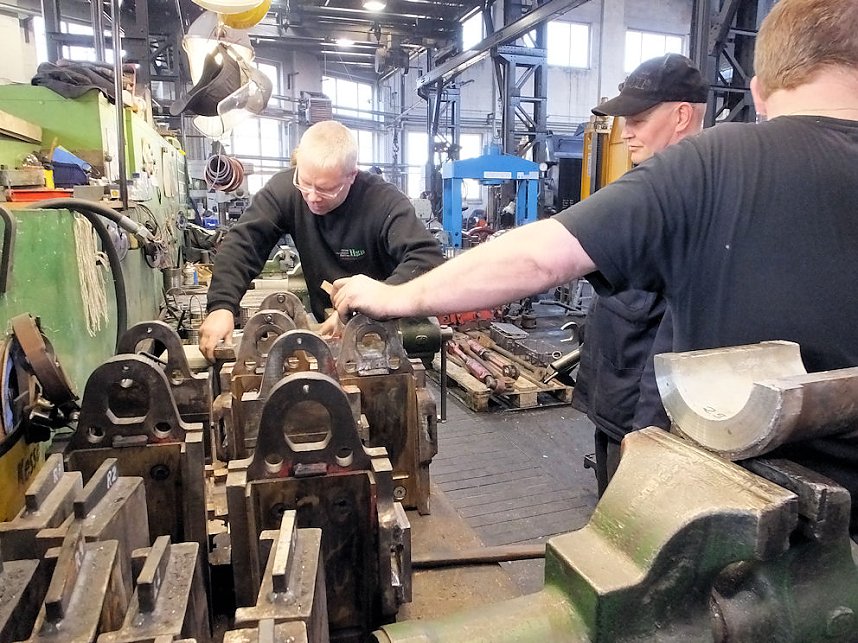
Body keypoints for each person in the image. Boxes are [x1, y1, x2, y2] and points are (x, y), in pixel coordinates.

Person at [330, 0, 858, 534]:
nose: (628, 132)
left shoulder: (718, 164)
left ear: (760, 88)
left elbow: (541, 255)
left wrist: (398, 296)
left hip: (749, 520)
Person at [574, 54, 708, 496]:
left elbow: (678, 332)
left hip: (641, 421)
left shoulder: (696, 202)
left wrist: (647, 430)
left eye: (639, 118)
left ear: (682, 115)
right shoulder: (644, 192)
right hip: (612, 405)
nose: (625, 130)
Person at [198, 120, 444, 360]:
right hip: (328, 327)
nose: (312, 197)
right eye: (305, 183)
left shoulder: (384, 201)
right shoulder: (285, 190)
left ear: (351, 175)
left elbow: (426, 260)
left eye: (326, 189)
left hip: (386, 333)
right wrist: (222, 305)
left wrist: (370, 303)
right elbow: (243, 244)